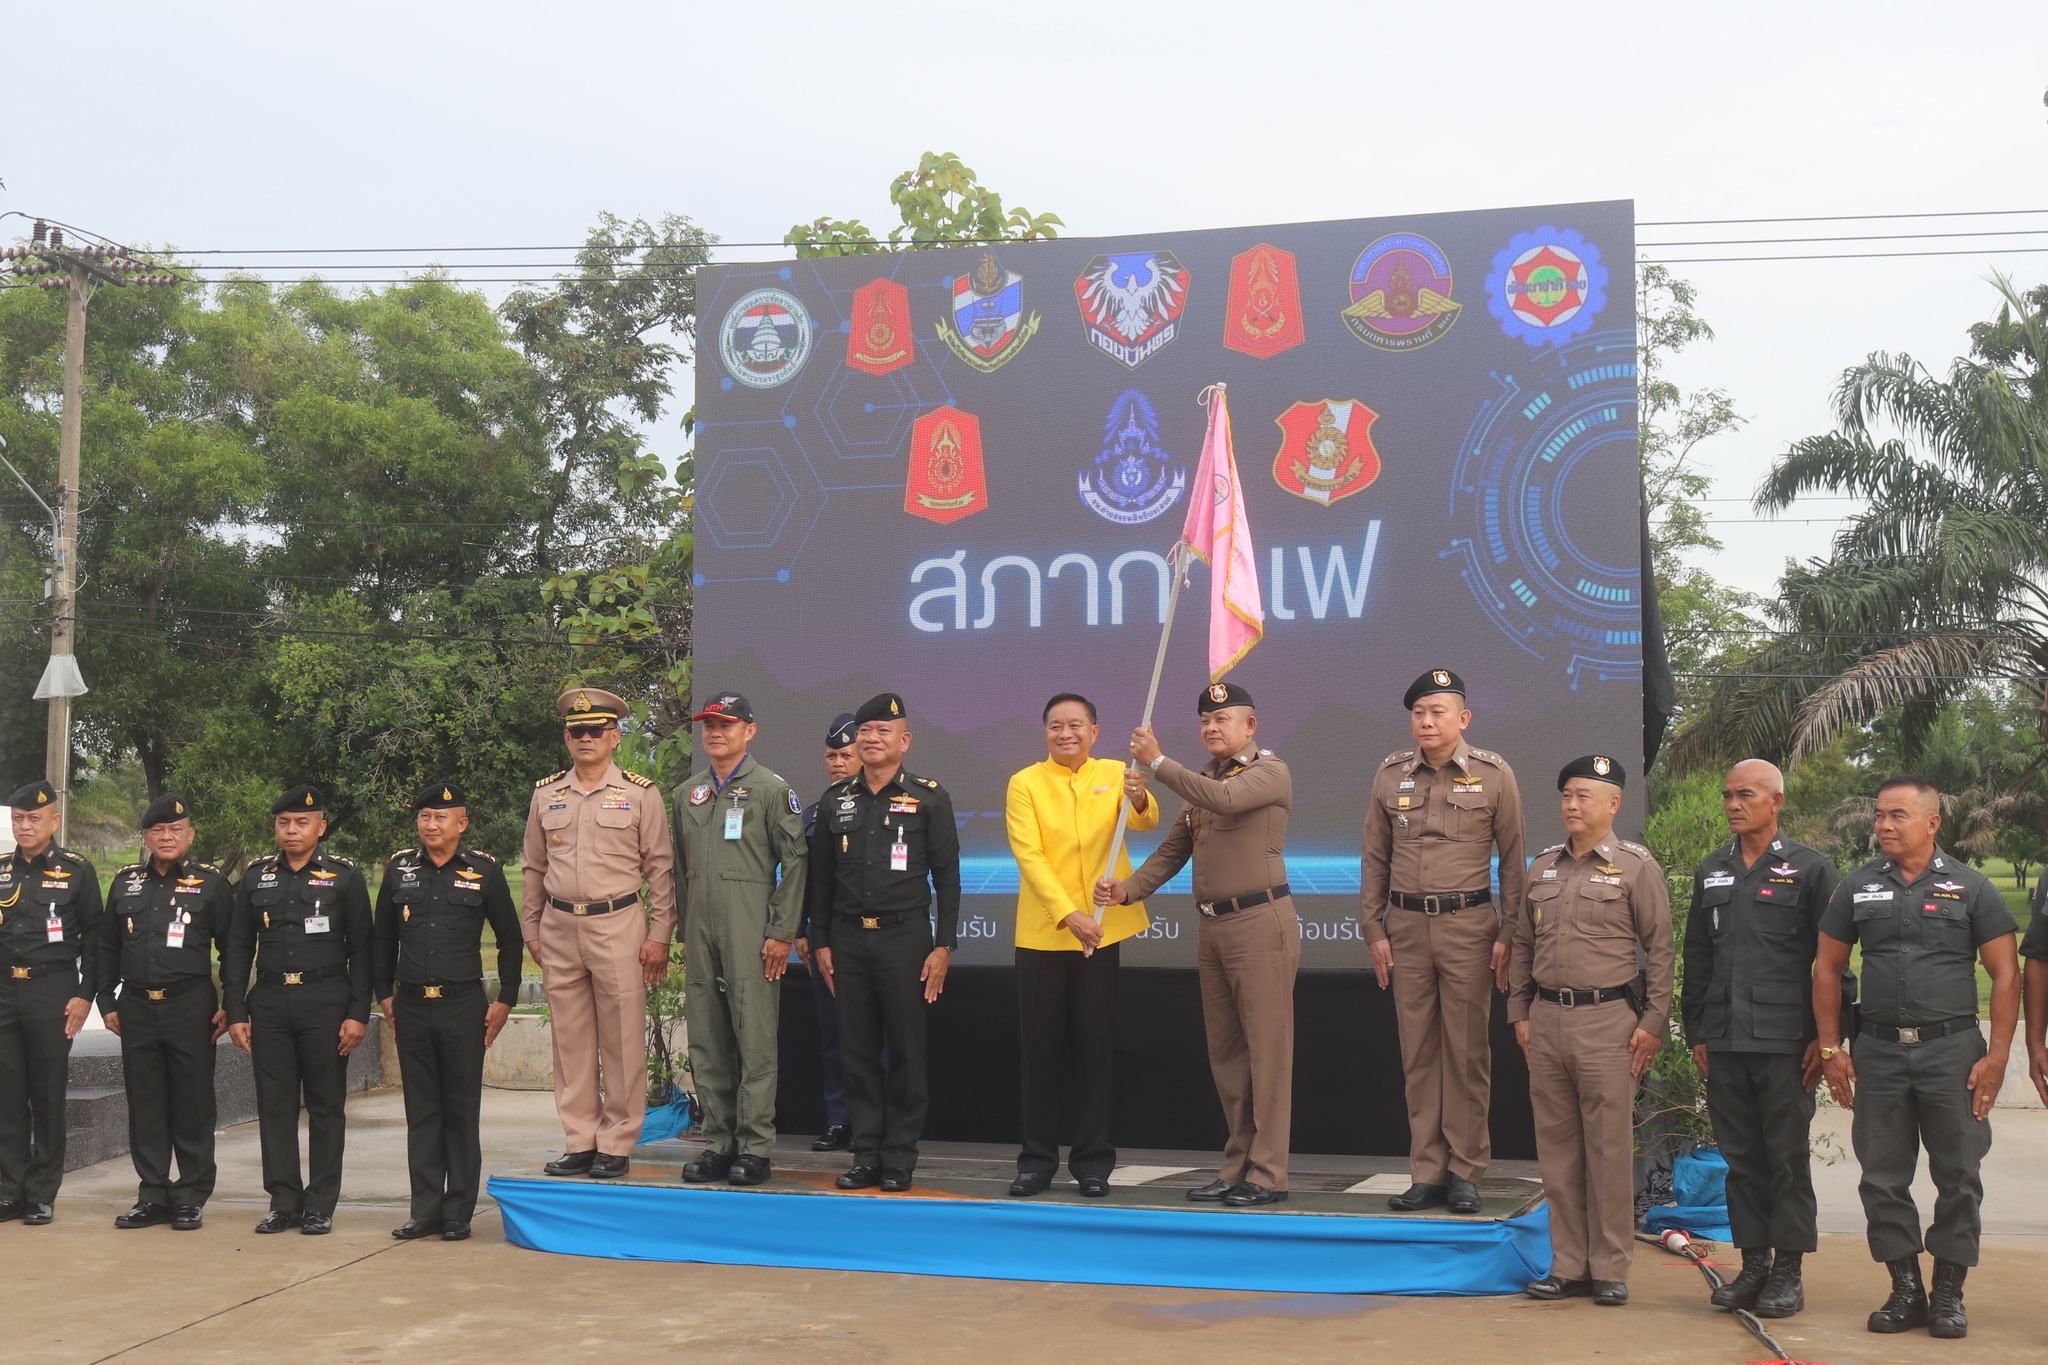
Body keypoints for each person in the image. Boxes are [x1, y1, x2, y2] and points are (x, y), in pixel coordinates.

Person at [1813, 774, 2019, 1341]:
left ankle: (1949, 1294)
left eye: (1897, 815)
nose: (1883, 825)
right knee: (1881, 1176)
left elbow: (2006, 974)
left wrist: (1997, 1055)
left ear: (1933, 822)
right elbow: (1827, 968)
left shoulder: (1973, 886)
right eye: (1880, 814)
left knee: (1958, 1174)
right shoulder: (1857, 886)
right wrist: (1833, 1049)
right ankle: (1906, 1289)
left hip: (1953, 1053)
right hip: (1876, 1050)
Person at [1096, 680, 1297, 1208]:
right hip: (1214, 929)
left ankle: (1269, 1173)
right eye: (1205, 720)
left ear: (1249, 726)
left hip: (1260, 922)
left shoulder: (1267, 772)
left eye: (1222, 719)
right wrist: (1125, 890)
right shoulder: (1202, 781)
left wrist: (1159, 762)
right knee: (1228, 1055)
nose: (1211, 727)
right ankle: (1236, 1167)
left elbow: (1226, 801)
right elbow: (1169, 853)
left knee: (1267, 1054)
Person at [1361, 668, 1526, 1214]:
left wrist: (1508, 931)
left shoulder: (1494, 775)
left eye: (1437, 712)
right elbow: (1375, 859)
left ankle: (1465, 1171)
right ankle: (1426, 1172)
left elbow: (1514, 863)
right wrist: (1373, 925)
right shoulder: (1389, 776)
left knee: (1467, 1053)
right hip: (1405, 929)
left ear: (1464, 719)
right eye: (1418, 713)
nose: (1426, 722)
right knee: (1419, 1055)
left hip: (1469, 927)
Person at [1679, 760, 1841, 1317]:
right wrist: (1698, 1029)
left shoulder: (1813, 869)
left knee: (1786, 1159)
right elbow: (1697, 956)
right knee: (1741, 1158)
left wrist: (1827, 1040)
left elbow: (1834, 962)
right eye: (1727, 795)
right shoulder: (1713, 869)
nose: (1732, 804)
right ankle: (1753, 1267)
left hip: (1784, 1043)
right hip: (1724, 1040)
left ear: (1776, 801)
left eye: (1744, 794)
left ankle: (1788, 1273)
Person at [1511, 755, 1672, 1307]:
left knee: (1607, 1149)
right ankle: (1568, 1264)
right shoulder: (1541, 868)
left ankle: (1609, 1267)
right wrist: (1520, 1012)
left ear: (1613, 803)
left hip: (1609, 1022)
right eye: (1566, 796)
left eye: (1584, 795)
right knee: (1557, 1152)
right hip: (1548, 1020)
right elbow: (1522, 948)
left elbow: (1661, 950)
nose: (1572, 806)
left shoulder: (1634, 867)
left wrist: (1653, 1022)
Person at [804, 692, 961, 1193]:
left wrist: (944, 945)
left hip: (906, 938)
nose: (871, 739)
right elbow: (822, 882)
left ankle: (899, 1157)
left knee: (908, 1054)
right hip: (847, 940)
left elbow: (949, 878)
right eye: (865, 732)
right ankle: (866, 1153)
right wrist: (821, 940)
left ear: (904, 741)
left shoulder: (928, 796)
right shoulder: (836, 800)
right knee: (857, 1052)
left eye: (882, 732)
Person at [1005, 692, 1156, 1197]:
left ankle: (1093, 1163)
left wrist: (1138, 795)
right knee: (1039, 1052)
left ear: (1095, 730)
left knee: (1094, 1050)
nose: (1065, 733)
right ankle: (1036, 1161)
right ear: (1044, 732)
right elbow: (1030, 857)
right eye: (1055, 726)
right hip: (1045, 935)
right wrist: (1069, 914)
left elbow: (1144, 821)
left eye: (1075, 725)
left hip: (1102, 930)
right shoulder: (1024, 783)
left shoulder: (1116, 772)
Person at [522, 687, 676, 1180]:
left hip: (619, 924)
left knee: (623, 1038)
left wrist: (660, 932)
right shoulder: (546, 794)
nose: (585, 738)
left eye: (595, 731)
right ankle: (580, 1140)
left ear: (614, 736)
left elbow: (660, 870)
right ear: (567, 738)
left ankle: (616, 1141)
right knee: (570, 1041)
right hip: (560, 925)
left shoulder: (639, 793)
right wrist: (532, 928)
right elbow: (533, 867)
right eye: (576, 731)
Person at [373, 782, 523, 1242]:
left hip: (463, 1007)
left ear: (462, 823)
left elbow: (510, 938)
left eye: (441, 817)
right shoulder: (400, 871)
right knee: (421, 1111)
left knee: (459, 1109)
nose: (431, 825)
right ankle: (425, 1210)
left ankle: (458, 1210)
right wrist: (385, 995)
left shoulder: (483, 872)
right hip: (412, 1006)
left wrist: (506, 997)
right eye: (424, 817)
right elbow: (381, 939)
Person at [222, 785, 374, 1235]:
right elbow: (236, 948)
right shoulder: (256, 876)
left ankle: (320, 1204)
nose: (291, 830)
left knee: (326, 1107)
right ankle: (283, 1200)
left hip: (325, 1004)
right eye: (284, 822)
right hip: (268, 1003)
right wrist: (235, 1009)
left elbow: (364, 950)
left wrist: (358, 1013)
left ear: (320, 828)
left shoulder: (344, 877)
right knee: (275, 1106)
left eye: (302, 822)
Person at [672, 692, 808, 1187]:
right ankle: (718, 1142)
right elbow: (678, 868)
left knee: (754, 1039)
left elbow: (795, 863)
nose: (715, 732)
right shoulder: (688, 794)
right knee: (707, 1037)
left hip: (751, 928)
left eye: (726, 724)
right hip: (700, 930)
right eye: (709, 724)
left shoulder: (772, 789)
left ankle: (754, 1147)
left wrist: (780, 931)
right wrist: (685, 930)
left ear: (749, 731)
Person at [98, 793, 233, 1232]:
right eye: (158, 830)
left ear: (190, 835)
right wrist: (106, 1000)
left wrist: (233, 1002)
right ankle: (152, 1193)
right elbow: (107, 946)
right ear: (145, 837)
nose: (167, 836)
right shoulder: (125, 882)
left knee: (193, 1103)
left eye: (176, 830)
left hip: (190, 1004)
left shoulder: (210, 883)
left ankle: (191, 1195)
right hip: (136, 1005)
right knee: (146, 1102)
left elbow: (234, 948)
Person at [0, 780, 102, 1226]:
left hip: (53, 991)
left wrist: (85, 995)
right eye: (19, 818)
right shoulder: (0, 868)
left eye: (34, 818)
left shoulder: (76, 870)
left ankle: (42, 1193)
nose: (25, 825)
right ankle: (9, 1191)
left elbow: (98, 941)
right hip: (4, 992)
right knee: (6, 1097)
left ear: (54, 821)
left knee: (46, 1094)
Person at [795, 713, 860, 1152]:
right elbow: (804, 876)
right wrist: (801, 927)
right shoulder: (816, 812)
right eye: (831, 756)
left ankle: (875, 1120)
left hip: (871, 938)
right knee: (834, 1033)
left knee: (877, 1038)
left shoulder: (887, 802)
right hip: (825, 940)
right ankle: (839, 1119)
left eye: (845, 755)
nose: (837, 763)